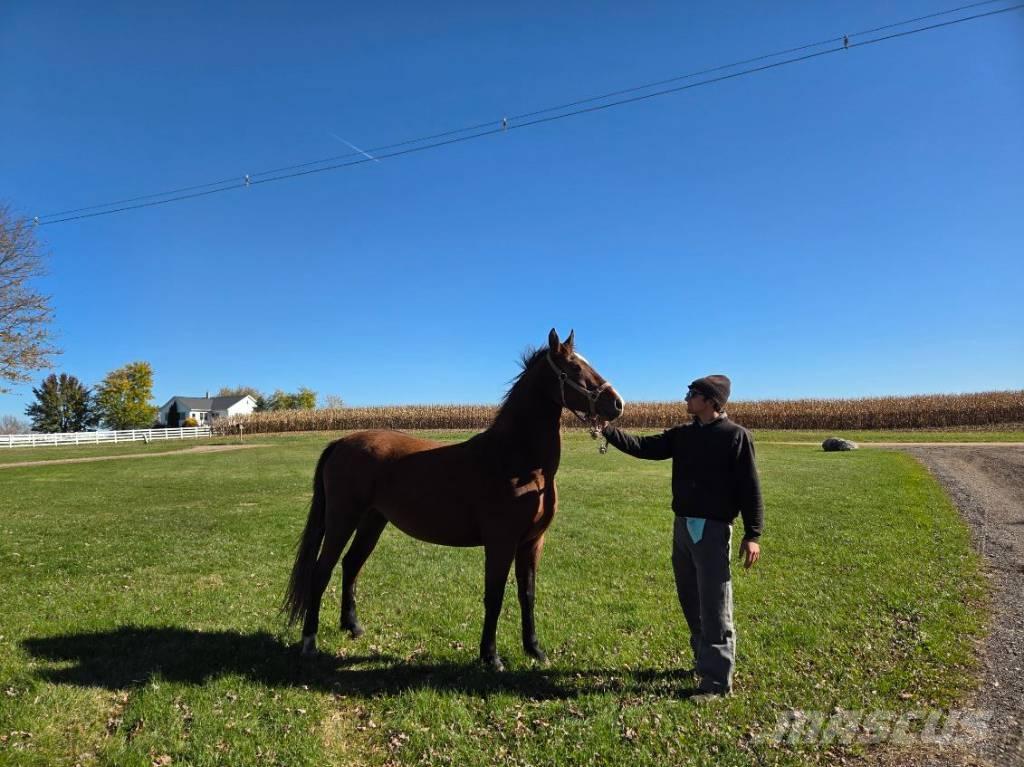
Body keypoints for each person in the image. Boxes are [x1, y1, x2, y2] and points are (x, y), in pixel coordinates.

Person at [600, 374, 763, 698]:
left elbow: (750, 487)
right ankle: (704, 661)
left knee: (715, 606)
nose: (686, 398)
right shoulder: (683, 435)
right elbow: (645, 448)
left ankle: (716, 682)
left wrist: (753, 533)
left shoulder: (736, 437)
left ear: (711, 401)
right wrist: (607, 431)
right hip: (682, 528)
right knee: (691, 601)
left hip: (714, 531)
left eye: (693, 393)